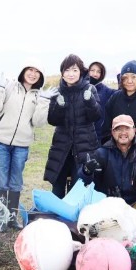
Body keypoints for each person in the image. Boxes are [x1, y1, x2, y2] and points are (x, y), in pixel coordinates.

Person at [0, 61, 54, 229]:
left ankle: (12, 217)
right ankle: (1, 218)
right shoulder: (9, 86)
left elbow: (38, 122)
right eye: (30, 70)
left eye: (37, 72)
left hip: (22, 145)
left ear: (40, 76)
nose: (33, 74)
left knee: (16, 182)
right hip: (1, 141)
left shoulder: (38, 95)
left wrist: (44, 101)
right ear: (23, 71)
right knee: (2, 181)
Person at [43, 54, 101, 198]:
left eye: (75, 70)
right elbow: (52, 120)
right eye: (67, 70)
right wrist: (59, 106)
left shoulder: (90, 89)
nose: (71, 74)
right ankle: (56, 211)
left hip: (84, 146)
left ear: (81, 72)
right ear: (62, 73)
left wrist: (90, 102)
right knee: (57, 189)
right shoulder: (57, 91)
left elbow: (96, 116)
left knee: (79, 188)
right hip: (62, 146)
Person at [79, 114, 136, 211]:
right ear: (112, 132)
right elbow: (84, 183)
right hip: (107, 204)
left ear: (134, 130)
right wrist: (86, 171)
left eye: (127, 128)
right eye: (118, 129)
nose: (123, 133)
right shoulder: (101, 153)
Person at [88, 61, 116, 141]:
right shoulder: (81, 88)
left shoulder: (106, 91)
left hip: (100, 136)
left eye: (98, 72)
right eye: (92, 70)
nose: (95, 74)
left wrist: (119, 76)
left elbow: (121, 93)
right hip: (83, 135)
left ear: (102, 74)